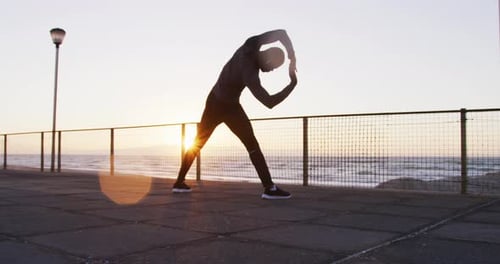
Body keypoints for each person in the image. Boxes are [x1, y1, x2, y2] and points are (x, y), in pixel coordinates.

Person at [172, 29, 298, 199]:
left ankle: (179, 183)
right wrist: (292, 84)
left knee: (245, 144)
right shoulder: (250, 73)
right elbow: (269, 102)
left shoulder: (251, 44)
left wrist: (292, 55)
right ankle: (270, 189)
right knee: (201, 143)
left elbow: (282, 33)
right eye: (273, 67)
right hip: (217, 105)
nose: (271, 71)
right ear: (268, 59)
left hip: (228, 104)